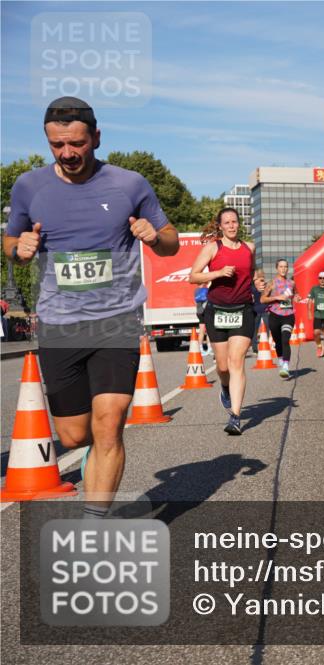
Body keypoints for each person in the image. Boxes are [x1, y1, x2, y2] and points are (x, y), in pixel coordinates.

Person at [4, 96, 179, 517]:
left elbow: (171, 241)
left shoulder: (129, 183)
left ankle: (94, 522)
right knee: (73, 434)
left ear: (96, 138)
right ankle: (94, 469)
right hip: (60, 323)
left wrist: (154, 237)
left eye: (76, 144)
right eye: (57, 145)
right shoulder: (29, 186)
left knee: (109, 422)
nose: (67, 154)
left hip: (116, 320)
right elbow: (9, 241)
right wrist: (18, 248)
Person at [189, 207, 255, 435]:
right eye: (226, 222)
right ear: (220, 226)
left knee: (237, 361)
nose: (231, 226)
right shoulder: (212, 248)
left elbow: (253, 273)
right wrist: (217, 274)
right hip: (217, 310)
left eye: (234, 222)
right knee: (223, 366)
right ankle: (225, 387)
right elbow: (193, 276)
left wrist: (261, 282)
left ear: (239, 224)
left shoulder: (250, 248)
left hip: (243, 309)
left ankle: (235, 416)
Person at [261, 258, 297, 378]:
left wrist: (296, 297)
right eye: (281, 266)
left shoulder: (292, 283)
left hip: (288, 315)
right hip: (275, 315)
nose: (283, 269)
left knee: (285, 339)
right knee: (278, 342)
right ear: (277, 268)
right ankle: (281, 360)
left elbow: (295, 294)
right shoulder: (272, 283)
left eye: (285, 267)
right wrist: (277, 298)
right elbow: (262, 299)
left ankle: (286, 366)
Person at [309, 271, 324, 358]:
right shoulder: (314, 289)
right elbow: (310, 300)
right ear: (318, 279)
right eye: (320, 278)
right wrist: (309, 312)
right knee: (316, 332)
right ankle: (319, 346)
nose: (322, 280)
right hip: (318, 314)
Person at [250, 270, 267, 354]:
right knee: (266, 328)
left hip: (257, 309)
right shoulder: (253, 286)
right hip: (262, 309)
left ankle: (255, 349)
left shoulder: (252, 286)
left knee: (255, 330)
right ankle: (266, 344)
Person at [194, 284, 212, 356]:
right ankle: (210, 348)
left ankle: (200, 348)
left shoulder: (196, 291)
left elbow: (196, 302)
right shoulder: (207, 290)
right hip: (206, 311)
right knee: (209, 331)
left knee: (201, 331)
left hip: (199, 312)